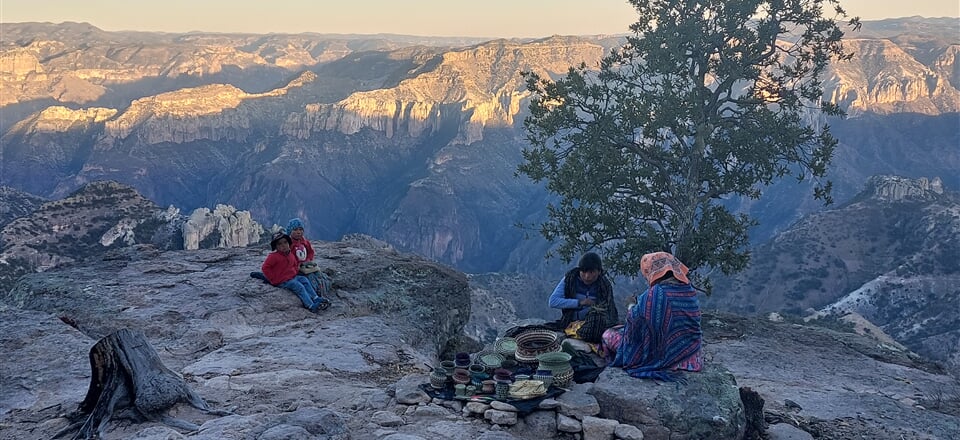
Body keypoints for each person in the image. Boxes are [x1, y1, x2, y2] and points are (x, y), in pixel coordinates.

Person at [605, 251, 702, 381]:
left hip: (664, 357)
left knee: (608, 334)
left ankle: (607, 366)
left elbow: (633, 327)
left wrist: (631, 306)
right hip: (690, 356)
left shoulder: (655, 294)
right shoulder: (689, 290)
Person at [548, 252, 618, 343]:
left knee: (597, 319)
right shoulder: (570, 279)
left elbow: (609, 309)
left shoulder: (604, 286)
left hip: (593, 323)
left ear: (599, 272)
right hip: (571, 322)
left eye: (591, 272)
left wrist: (596, 308)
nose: (587, 276)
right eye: (583, 272)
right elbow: (553, 301)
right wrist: (579, 302)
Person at [261, 231, 328, 312]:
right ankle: (310, 305)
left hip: (292, 277)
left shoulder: (290, 254)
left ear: (289, 243)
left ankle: (315, 297)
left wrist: (296, 270)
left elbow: (295, 264)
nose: (283, 245)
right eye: (279, 244)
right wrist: (273, 279)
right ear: (275, 247)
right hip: (283, 280)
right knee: (299, 286)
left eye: (285, 242)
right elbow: (265, 268)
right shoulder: (273, 257)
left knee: (304, 280)